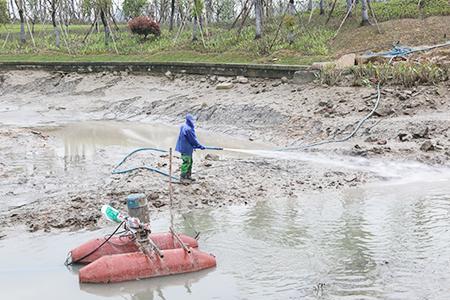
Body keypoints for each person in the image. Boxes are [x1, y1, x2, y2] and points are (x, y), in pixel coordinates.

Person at [175, 114, 205, 182]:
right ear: (189, 121)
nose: (193, 122)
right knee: (186, 162)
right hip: (186, 148)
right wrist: (199, 146)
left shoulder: (184, 126)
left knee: (190, 161)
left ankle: (188, 176)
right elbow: (193, 140)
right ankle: (182, 177)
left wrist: (195, 145)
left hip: (185, 147)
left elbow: (189, 139)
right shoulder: (188, 129)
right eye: (192, 120)